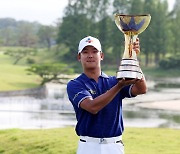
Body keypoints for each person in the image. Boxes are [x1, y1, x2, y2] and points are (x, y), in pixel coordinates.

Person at [67, 36, 147, 154]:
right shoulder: (75, 84)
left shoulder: (114, 81)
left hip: (114, 146)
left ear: (101, 56)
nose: (90, 55)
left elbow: (141, 89)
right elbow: (92, 107)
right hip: (88, 146)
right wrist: (119, 87)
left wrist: (134, 58)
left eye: (94, 52)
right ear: (79, 57)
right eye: (85, 52)